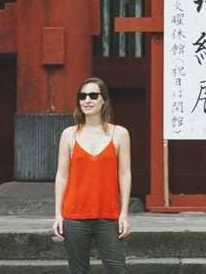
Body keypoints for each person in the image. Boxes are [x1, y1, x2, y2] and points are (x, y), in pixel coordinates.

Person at [53, 76, 131, 273]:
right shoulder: (69, 134)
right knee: (78, 270)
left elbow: (124, 174)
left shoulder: (119, 133)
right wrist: (57, 215)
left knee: (117, 269)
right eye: (82, 96)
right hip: (75, 214)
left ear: (103, 99)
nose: (87, 100)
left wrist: (124, 213)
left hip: (108, 214)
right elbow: (62, 176)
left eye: (93, 95)